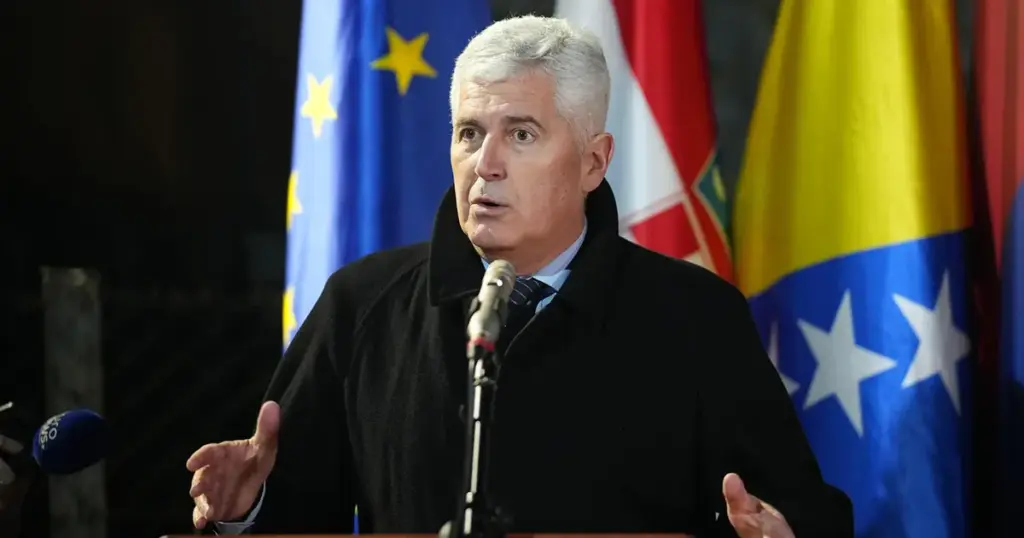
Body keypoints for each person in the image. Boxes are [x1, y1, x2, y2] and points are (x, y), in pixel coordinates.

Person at [187, 15, 853, 538]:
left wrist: (780, 531)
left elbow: (796, 509)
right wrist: (247, 512)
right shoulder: (362, 305)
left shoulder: (697, 316)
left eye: (522, 134)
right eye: (469, 133)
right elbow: (298, 517)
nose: (487, 164)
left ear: (593, 163)